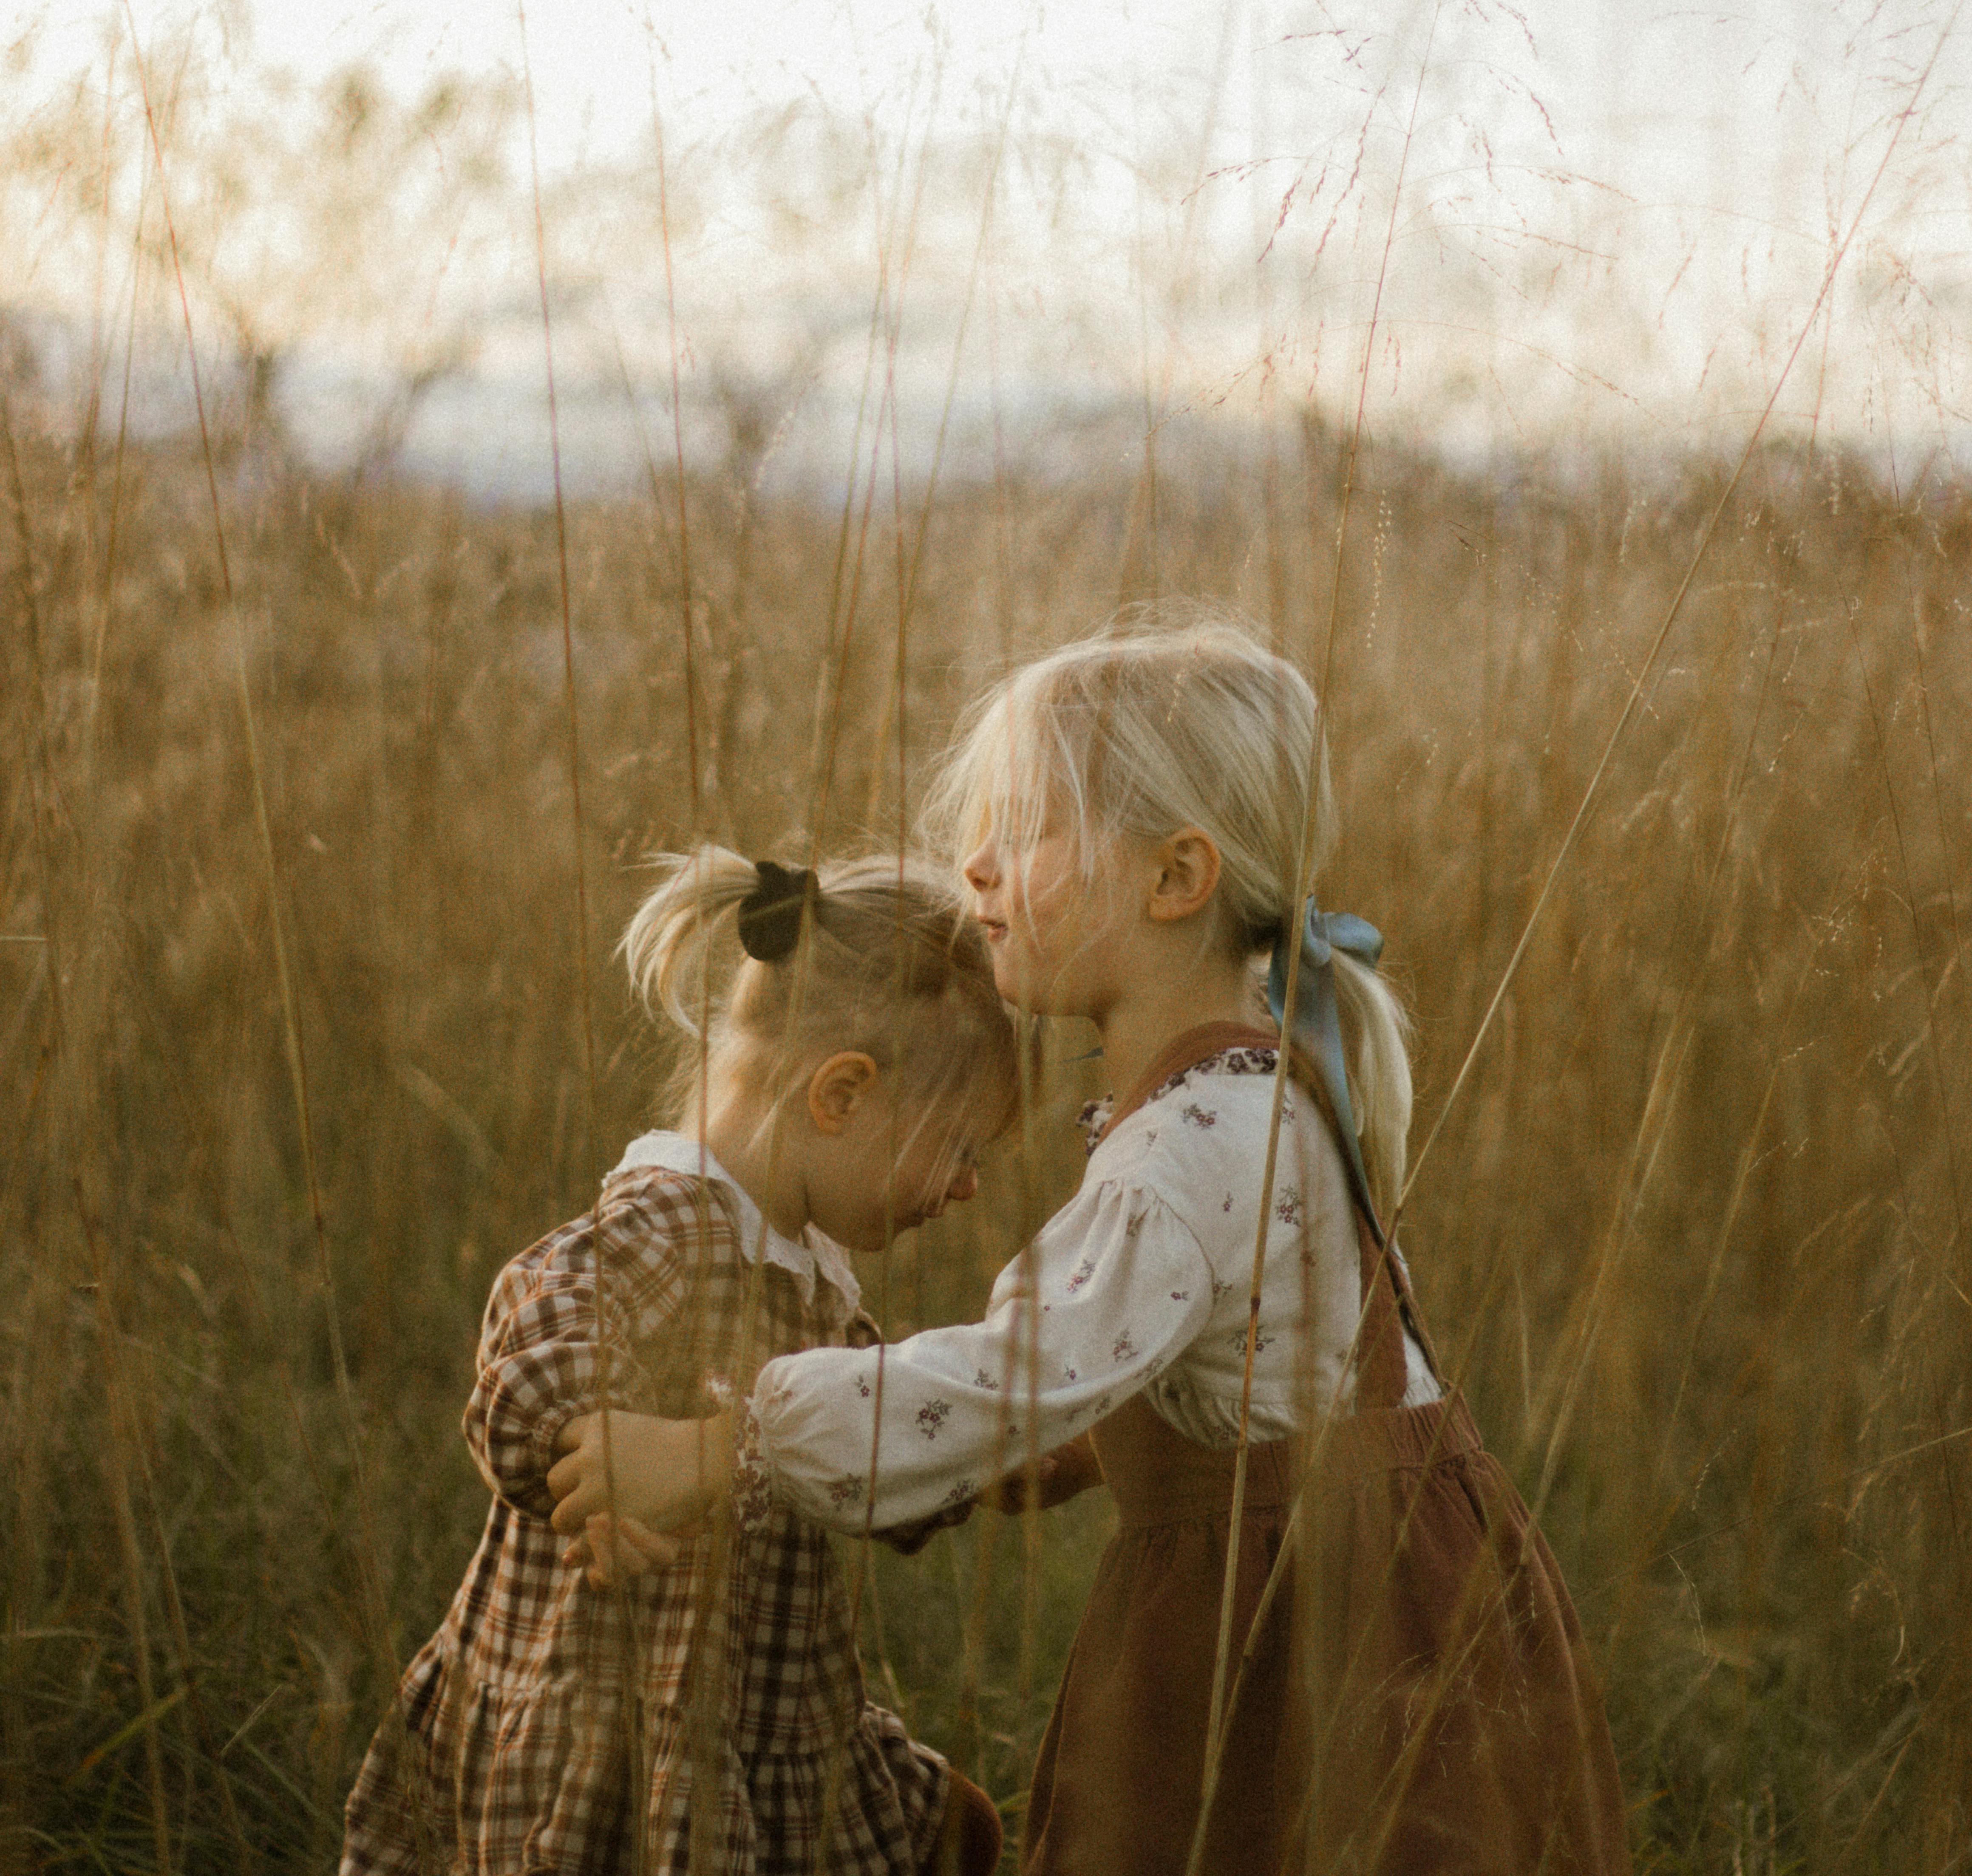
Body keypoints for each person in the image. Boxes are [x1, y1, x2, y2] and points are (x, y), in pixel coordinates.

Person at [550, 619, 1632, 1875]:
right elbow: (1265, 1369)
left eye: (1024, 833)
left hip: (1311, 1632)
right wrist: (1089, 1447)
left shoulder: (1188, 1153)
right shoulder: (1246, 1087)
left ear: (1177, 879)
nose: (976, 870)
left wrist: (722, 1449)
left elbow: (1004, 1376)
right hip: (1380, 1592)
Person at [341, 848, 1017, 1876]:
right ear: (841, 1095)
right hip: (622, 1714)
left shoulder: (802, 1271)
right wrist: (589, 1447)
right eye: (959, 1147)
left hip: (759, 1710)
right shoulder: (677, 1228)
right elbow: (534, 1329)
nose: (967, 1187)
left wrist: (1003, 1450)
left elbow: (867, 1447)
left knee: (940, 1832)